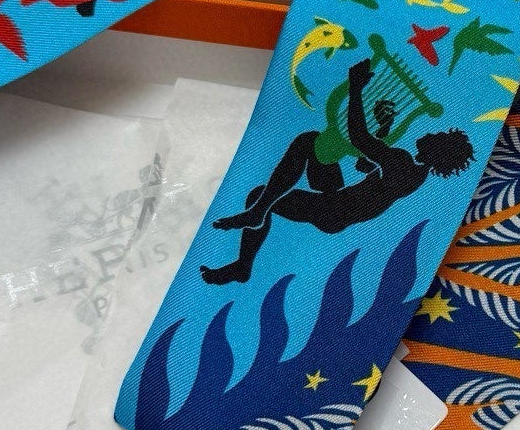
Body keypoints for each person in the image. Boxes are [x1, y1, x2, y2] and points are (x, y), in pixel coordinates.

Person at [200, 57, 475, 285]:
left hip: (330, 211)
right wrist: (384, 127)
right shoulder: (414, 173)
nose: (431, 134)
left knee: (265, 190)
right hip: (337, 201)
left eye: (438, 136)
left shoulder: (402, 163)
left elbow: (358, 137)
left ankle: (249, 245)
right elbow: (364, 164)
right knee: (308, 144)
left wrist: (355, 88)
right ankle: (251, 236)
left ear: (438, 149)